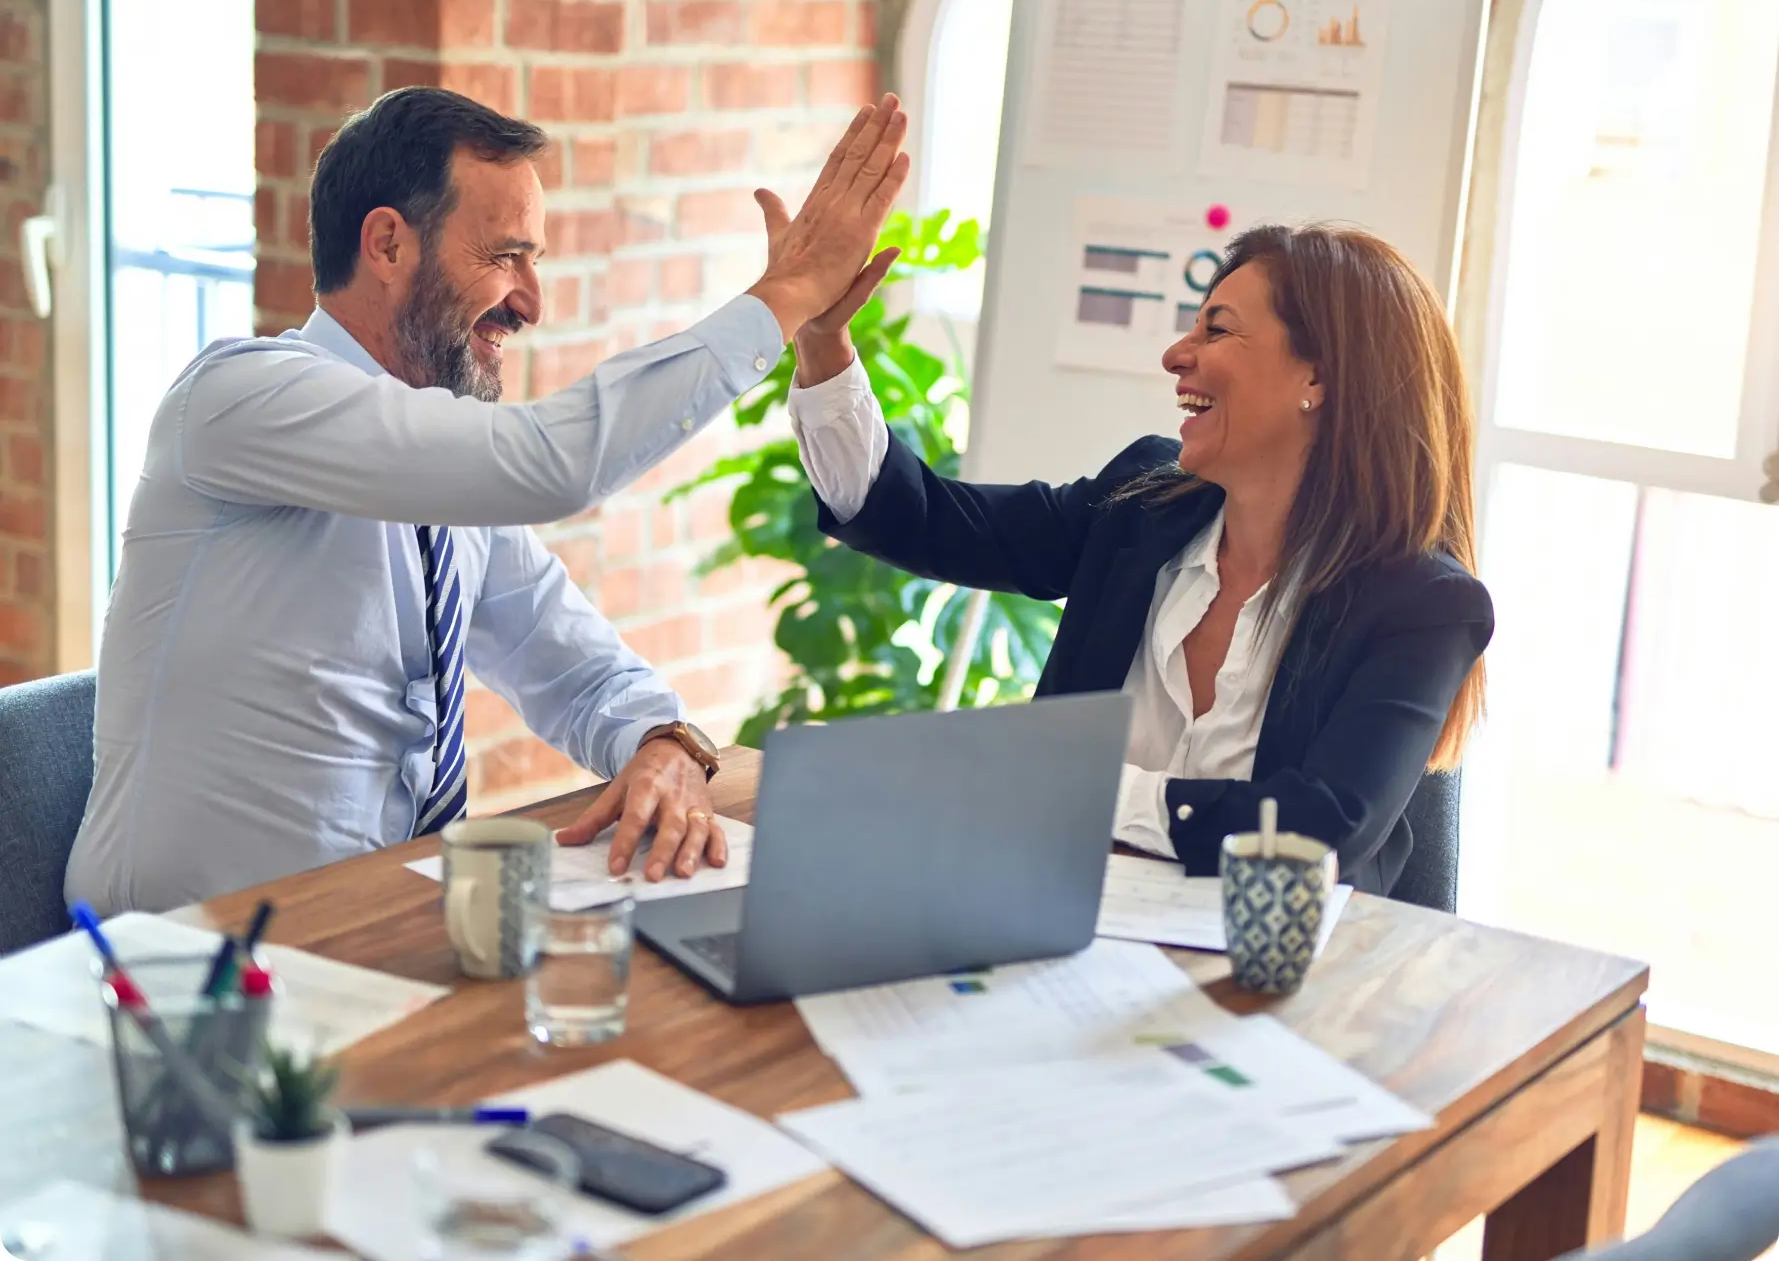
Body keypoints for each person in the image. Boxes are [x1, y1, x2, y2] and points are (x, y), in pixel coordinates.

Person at [66, 86, 909, 914]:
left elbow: (575, 667)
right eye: (506, 255)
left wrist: (663, 743)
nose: (531, 302)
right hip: (180, 967)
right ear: (388, 245)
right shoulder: (240, 399)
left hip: (374, 932)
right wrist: (787, 294)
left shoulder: (443, 478)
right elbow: (553, 464)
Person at [787, 223, 1493, 895]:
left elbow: (1316, 833)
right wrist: (823, 342)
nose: (1175, 355)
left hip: (1281, 982)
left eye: (1215, 329)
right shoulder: (1141, 507)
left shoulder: (1422, 605)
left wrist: (1079, 787)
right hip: (1060, 927)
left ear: (1318, 378)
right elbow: (922, 519)